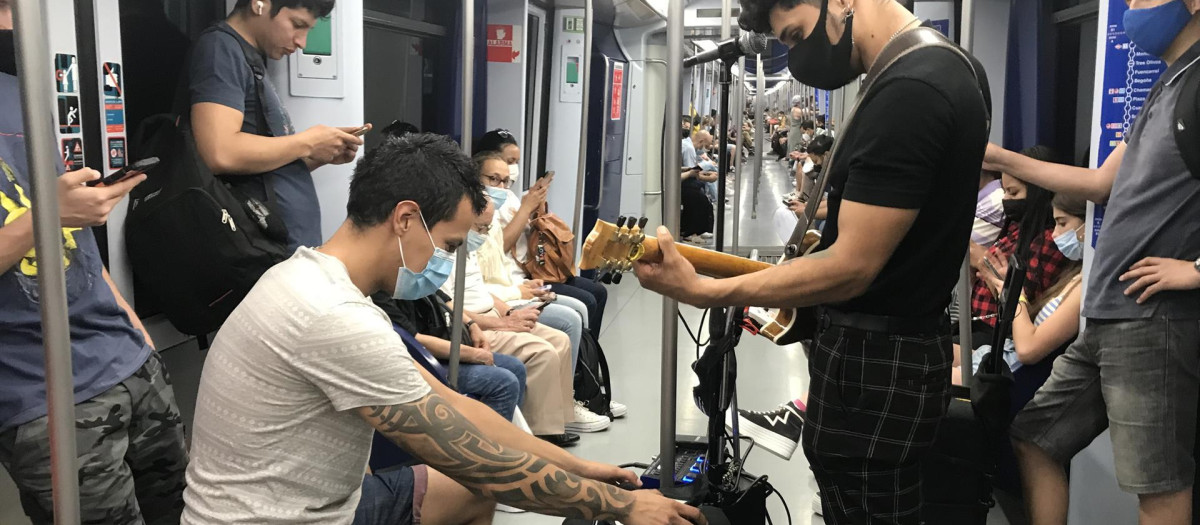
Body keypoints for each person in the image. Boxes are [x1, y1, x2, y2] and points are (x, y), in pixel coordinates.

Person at [181, 133, 703, 525]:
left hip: (312, 502)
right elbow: (478, 463)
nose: (447, 261)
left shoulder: (312, 276)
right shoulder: (333, 317)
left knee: (465, 495)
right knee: (475, 484)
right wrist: (619, 506)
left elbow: (453, 406)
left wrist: (578, 468)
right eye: (450, 245)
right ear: (406, 219)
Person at [639, 0, 990, 522]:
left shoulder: (912, 89)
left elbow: (852, 266)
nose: (799, 56)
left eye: (797, 35)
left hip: (874, 367)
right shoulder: (950, 67)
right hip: (899, 352)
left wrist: (707, 291)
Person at [987, 2, 1200, 522]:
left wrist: (1195, 270)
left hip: (1152, 321)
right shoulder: (1168, 85)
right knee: (1034, 438)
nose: (1132, 8)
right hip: (1106, 315)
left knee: (1159, 486)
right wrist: (1000, 158)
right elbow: (1101, 183)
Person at [0, 7, 189, 522]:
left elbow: (73, 237)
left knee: (183, 511)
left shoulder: (20, 94)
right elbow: (49, 215)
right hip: (42, 392)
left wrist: (133, 325)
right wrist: (45, 216)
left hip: (128, 357)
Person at [189, 0, 365, 252]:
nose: (302, 42)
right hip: (260, 250)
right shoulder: (221, 49)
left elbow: (263, 168)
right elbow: (220, 152)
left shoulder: (250, 58)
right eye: (297, 24)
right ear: (259, 4)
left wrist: (318, 154)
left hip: (283, 248)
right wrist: (308, 142)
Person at [439, 199, 612, 439]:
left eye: (487, 228)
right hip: (477, 324)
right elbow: (451, 307)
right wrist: (503, 322)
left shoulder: (468, 249)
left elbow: (482, 292)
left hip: (495, 311)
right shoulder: (445, 256)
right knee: (543, 351)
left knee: (561, 340)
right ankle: (541, 432)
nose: (484, 234)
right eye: (480, 228)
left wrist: (509, 313)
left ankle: (561, 418)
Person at [474, 153, 628, 419]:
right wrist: (525, 210)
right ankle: (571, 399)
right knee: (573, 315)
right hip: (507, 291)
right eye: (493, 179)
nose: (501, 186)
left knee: (592, 296)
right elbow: (493, 263)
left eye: (506, 180)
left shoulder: (507, 200)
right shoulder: (477, 219)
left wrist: (536, 209)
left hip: (520, 280)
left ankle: (585, 387)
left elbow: (506, 259)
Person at [476, 129, 610, 340]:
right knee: (583, 304)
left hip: (532, 268)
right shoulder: (481, 207)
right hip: (516, 278)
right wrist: (525, 209)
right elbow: (497, 247)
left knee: (598, 292)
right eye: (509, 161)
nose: (512, 170)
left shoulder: (509, 196)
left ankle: (589, 354)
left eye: (514, 164)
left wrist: (536, 210)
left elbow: (527, 234)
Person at [953, 194, 1087, 388]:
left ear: (1089, 225)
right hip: (999, 357)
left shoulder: (1084, 288)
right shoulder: (1074, 275)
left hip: (1005, 375)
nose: (1055, 234)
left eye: (1062, 223)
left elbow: (1027, 350)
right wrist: (1006, 286)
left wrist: (1016, 294)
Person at [969, 146, 1067, 343]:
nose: (1006, 200)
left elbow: (1026, 302)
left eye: (1013, 193)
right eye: (1005, 191)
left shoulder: (1050, 241)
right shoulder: (1016, 227)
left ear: (1038, 192)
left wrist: (984, 262)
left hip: (1001, 334)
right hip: (980, 323)